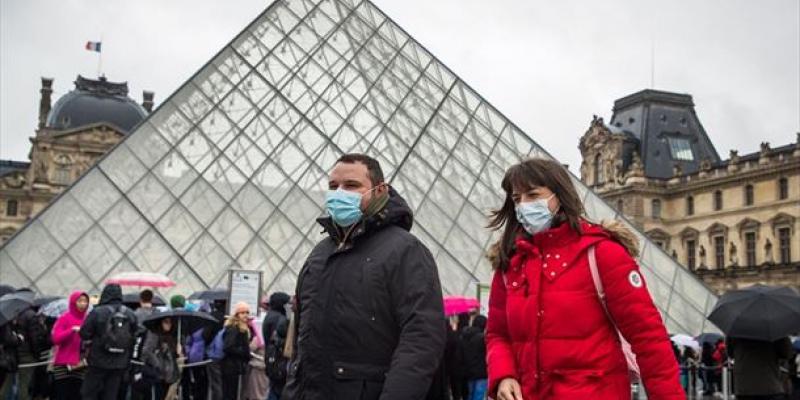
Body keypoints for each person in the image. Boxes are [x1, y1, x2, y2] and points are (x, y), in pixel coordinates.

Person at [485, 158, 683, 400]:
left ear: (559, 197)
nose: (523, 205)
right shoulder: (511, 264)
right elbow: (497, 334)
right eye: (517, 199)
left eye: (533, 195)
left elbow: (648, 338)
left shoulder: (603, 254)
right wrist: (504, 374)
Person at [282, 153, 446, 400]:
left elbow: (421, 339)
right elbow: (301, 345)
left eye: (351, 186)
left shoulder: (406, 251)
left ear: (379, 191)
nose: (339, 194)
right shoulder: (320, 253)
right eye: (333, 186)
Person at [80, 284, 138, 400]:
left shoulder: (98, 312)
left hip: (98, 360)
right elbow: (135, 336)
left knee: (89, 393)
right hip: (120, 362)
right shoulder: (130, 313)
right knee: (110, 394)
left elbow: (84, 332)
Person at [51, 291, 90, 400]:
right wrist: (71, 330)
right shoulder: (64, 318)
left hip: (80, 364)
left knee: (77, 394)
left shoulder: (88, 319)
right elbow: (55, 339)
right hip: (63, 363)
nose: (83, 304)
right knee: (62, 394)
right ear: (73, 302)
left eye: (85, 301)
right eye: (80, 301)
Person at [727, 337, 793, 400]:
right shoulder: (775, 328)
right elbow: (787, 353)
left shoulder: (736, 329)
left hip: (744, 386)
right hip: (770, 385)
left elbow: (730, 353)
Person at [261, 292, 289, 400]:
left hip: (271, 357)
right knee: (278, 390)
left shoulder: (270, 315)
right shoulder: (279, 319)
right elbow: (280, 339)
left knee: (273, 387)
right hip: (279, 359)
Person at [221, 302, 252, 400]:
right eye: (242, 313)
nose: (245, 315)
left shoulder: (242, 328)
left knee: (232, 393)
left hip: (234, 365)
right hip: (231, 366)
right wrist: (243, 352)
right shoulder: (234, 328)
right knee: (230, 393)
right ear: (237, 314)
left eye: (247, 312)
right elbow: (228, 347)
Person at [461, 315, 488, 400]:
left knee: (469, 395)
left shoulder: (463, 336)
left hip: (468, 373)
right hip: (481, 374)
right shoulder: (482, 339)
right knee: (478, 397)